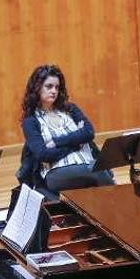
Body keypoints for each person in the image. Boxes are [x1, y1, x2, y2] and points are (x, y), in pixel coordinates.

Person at [19, 64, 114, 198]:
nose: (54, 91)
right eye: (49, 86)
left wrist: (58, 142)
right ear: (37, 88)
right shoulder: (30, 121)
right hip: (56, 172)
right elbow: (43, 154)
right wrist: (76, 143)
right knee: (97, 170)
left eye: (57, 87)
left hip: (87, 163)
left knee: (97, 169)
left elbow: (89, 132)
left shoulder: (70, 109)